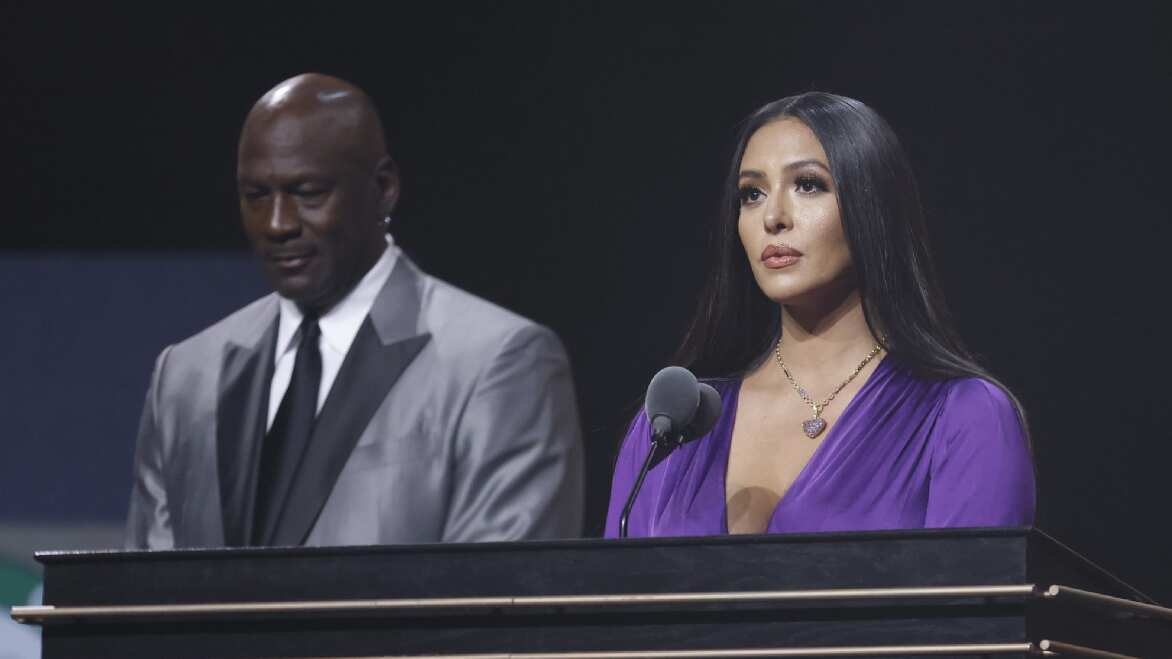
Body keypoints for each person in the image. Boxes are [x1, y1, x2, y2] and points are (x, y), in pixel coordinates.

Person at [126, 73, 584, 549]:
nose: (277, 224)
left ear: (383, 188)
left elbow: (503, 586)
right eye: (256, 196)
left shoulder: (497, 363)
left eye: (308, 192)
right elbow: (143, 589)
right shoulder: (185, 377)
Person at [605, 92, 1034, 538]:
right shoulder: (669, 431)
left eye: (808, 185)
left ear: (873, 205)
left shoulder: (966, 418)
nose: (773, 217)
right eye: (752, 194)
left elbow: (976, 585)